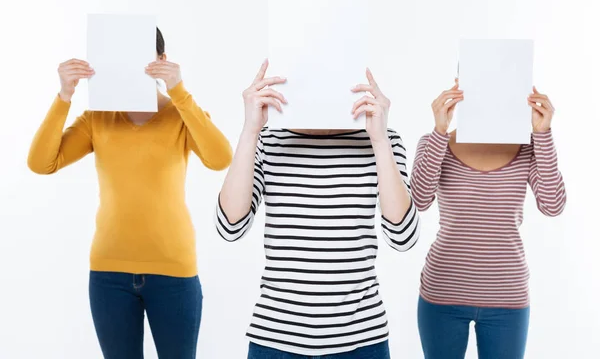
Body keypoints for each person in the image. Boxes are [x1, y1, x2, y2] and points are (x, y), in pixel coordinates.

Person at [27, 28, 232, 358]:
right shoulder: (98, 118)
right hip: (109, 274)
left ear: (161, 61)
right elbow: (41, 163)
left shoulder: (182, 115)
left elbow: (220, 158)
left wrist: (179, 92)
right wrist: (64, 95)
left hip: (174, 271)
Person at [215, 60, 421, 358]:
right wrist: (250, 130)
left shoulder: (384, 140)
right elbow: (229, 227)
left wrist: (378, 139)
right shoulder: (268, 139)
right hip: (275, 339)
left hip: (362, 340)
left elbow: (404, 237)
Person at [410, 80, 567, 359]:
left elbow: (553, 205)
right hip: (443, 293)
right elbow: (419, 201)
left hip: (508, 298)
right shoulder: (435, 142)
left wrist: (543, 133)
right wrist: (439, 131)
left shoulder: (529, 147)